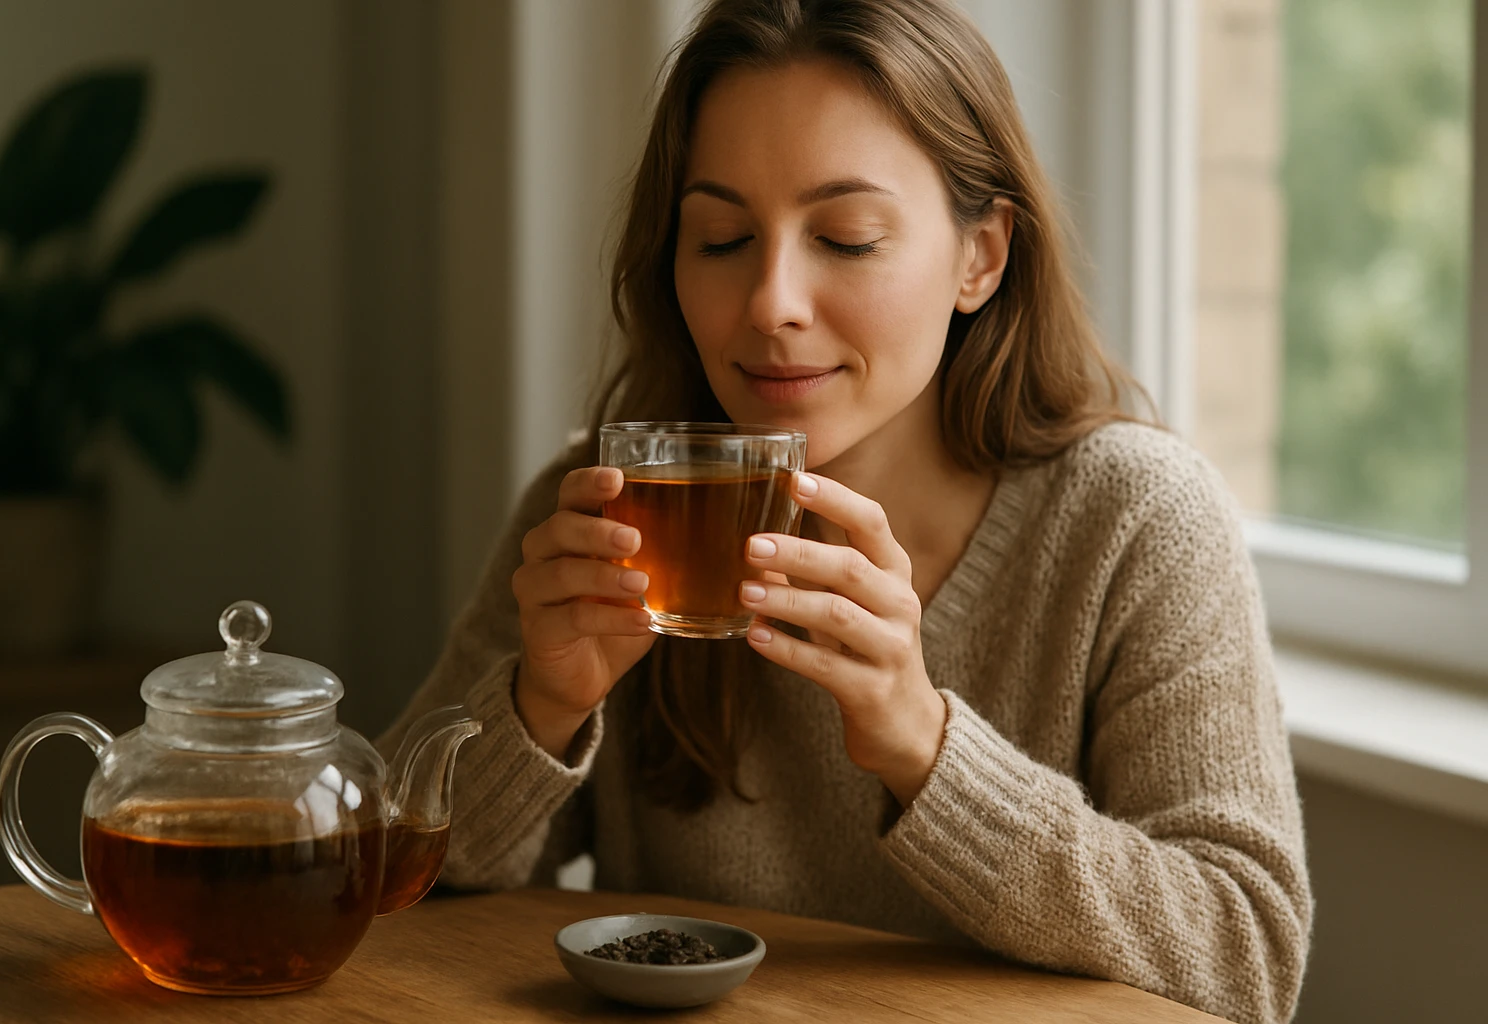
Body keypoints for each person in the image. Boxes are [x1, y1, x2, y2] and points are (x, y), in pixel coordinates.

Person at [380, 2, 1312, 1021]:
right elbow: (380, 877)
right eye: (723, 238)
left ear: (981, 257)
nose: (771, 301)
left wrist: (922, 743)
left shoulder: (1136, 522)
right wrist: (539, 707)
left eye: (846, 237)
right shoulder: (613, 510)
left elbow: (1246, 958)